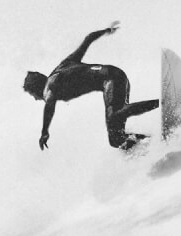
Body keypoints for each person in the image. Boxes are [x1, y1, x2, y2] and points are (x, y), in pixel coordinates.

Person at [23, 21, 159, 151]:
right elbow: (88, 39)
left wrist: (45, 132)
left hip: (111, 79)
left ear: (36, 88)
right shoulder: (64, 65)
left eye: (32, 95)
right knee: (116, 139)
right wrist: (107, 31)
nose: (35, 99)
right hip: (116, 75)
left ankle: (162, 102)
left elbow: (49, 108)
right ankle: (153, 141)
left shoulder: (49, 87)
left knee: (116, 114)